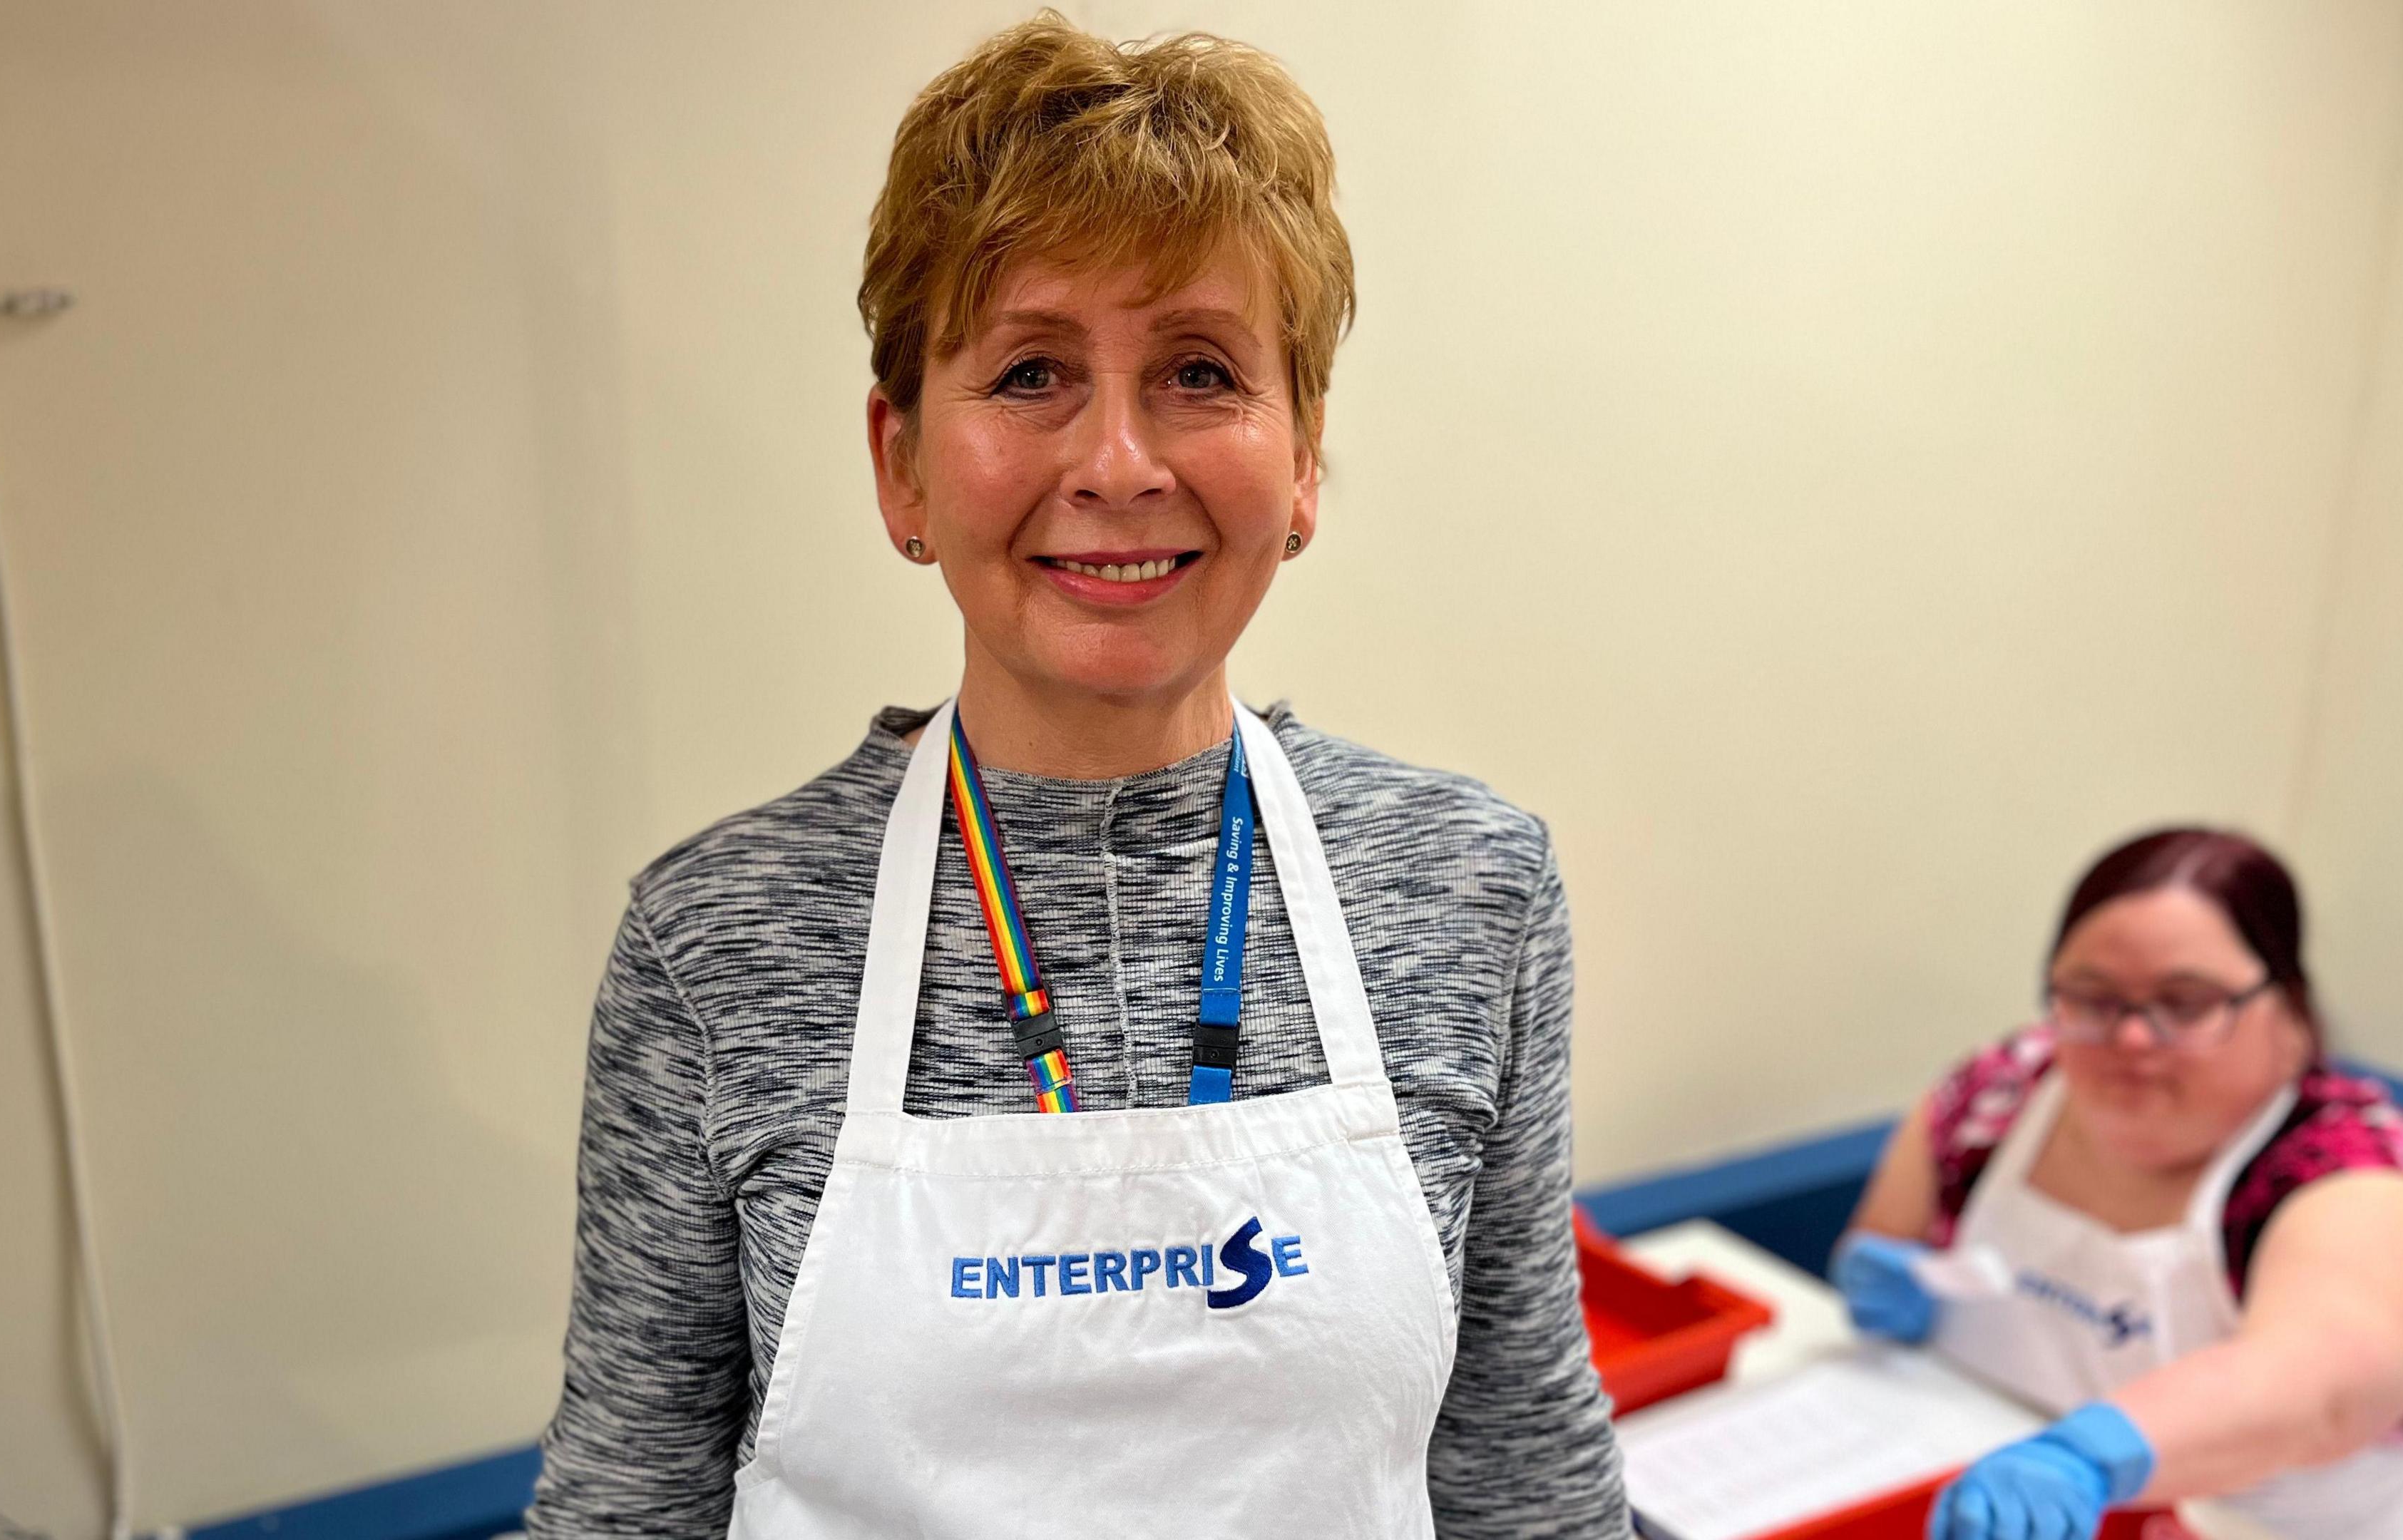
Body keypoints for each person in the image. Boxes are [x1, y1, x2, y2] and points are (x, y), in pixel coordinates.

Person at [523, 15, 1626, 1538]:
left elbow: (1526, 1476)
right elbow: (624, 1506)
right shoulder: (716, 941)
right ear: (902, 462)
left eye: (1198, 371)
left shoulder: (1467, 888)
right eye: (1032, 372)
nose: (1117, 463)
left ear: (1302, 455)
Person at [1835, 828, 2403, 1540]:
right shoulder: (1992, 1101)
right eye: (2091, 999)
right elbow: (1883, 1240)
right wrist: (1878, 1280)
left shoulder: (2361, 1171)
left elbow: (2316, 1393)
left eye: (2186, 1004)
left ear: (2288, 1013)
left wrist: (2088, 1457)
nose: (2132, 1041)